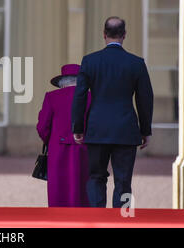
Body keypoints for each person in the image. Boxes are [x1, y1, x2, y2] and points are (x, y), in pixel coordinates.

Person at [71, 17, 153, 208]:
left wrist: (78, 126)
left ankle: (96, 220)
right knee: (124, 181)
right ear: (124, 35)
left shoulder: (90, 61)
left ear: (104, 34)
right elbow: (145, 99)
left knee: (96, 177)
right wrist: (145, 130)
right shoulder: (136, 63)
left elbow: (80, 96)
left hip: (97, 128)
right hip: (126, 129)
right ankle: (123, 221)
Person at [37, 64, 91, 207]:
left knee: (59, 189)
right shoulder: (91, 97)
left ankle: (59, 221)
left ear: (62, 82)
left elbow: (42, 126)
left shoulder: (52, 97)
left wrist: (51, 140)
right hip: (85, 148)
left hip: (58, 150)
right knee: (83, 188)